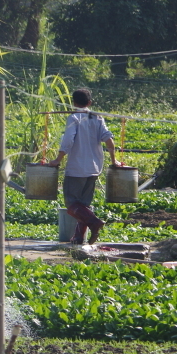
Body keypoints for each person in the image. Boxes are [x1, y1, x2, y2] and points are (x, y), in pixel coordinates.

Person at [46, 88, 123, 244]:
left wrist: (57, 160)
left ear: (73, 103)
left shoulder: (74, 118)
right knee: (83, 205)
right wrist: (114, 161)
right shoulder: (98, 118)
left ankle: (94, 223)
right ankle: (79, 237)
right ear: (89, 103)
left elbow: (68, 141)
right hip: (94, 169)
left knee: (71, 204)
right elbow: (109, 141)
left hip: (76, 168)